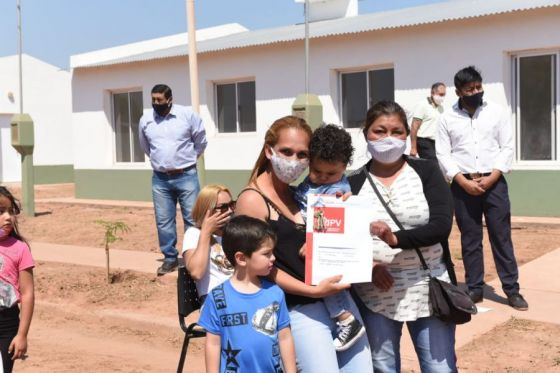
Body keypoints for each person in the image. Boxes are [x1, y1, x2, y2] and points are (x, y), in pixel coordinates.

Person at [235, 116, 372, 372]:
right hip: (299, 308)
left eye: (302, 154)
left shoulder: (302, 192)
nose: (294, 160)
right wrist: (312, 292)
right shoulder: (253, 200)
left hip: (338, 302)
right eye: (287, 151)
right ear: (269, 150)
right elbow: (257, 269)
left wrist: (346, 209)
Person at [347, 101, 457, 372]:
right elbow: (344, 239)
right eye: (379, 131)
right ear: (365, 135)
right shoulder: (353, 182)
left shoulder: (427, 171)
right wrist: (368, 268)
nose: (388, 138)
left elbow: (441, 226)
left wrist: (394, 239)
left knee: (438, 367)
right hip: (375, 293)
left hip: (428, 288)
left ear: (408, 135)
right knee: (382, 366)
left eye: (396, 132)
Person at [436, 66, 528, 311]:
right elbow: (443, 154)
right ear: (458, 92)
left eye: (478, 87)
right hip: (462, 185)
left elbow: (507, 147)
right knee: (470, 238)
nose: (475, 92)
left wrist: (493, 176)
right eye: (469, 89)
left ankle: (512, 289)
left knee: (501, 237)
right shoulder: (447, 118)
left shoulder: (497, 112)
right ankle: (475, 288)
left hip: (494, 183)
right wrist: (462, 181)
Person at [293, 124, 365, 351]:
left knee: (327, 281)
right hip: (317, 248)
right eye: (317, 171)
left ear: (345, 167)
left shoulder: (337, 192)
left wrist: (314, 244)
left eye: (331, 173)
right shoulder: (313, 184)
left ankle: (346, 319)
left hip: (326, 251)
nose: (323, 178)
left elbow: (330, 224)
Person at [199, 215, 296, 373]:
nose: (273, 258)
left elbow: (284, 337)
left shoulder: (275, 293)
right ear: (242, 258)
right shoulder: (217, 298)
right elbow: (213, 343)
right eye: (266, 254)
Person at [139, 84, 208, 276]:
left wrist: (188, 160)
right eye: (153, 100)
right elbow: (145, 146)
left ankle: (192, 258)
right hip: (160, 179)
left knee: (192, 219)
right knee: (163, 220)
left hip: (186, 176)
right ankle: (170, 259)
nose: (156, 103)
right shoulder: (146, 120)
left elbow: (201, 140)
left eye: (159, 100)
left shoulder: (187, 116)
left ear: (169, 99)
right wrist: (161, 161)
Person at [0, 187, 35, 373]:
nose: (8, 217)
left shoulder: (20, 249)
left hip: (6, 324)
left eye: (11, 211)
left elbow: (28, 293)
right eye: (0, 211)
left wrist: (22, 335)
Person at [182, 184, 235, 301]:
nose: (230, 210)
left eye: (232, 204)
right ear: (207, 210)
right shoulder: (194, 234)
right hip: (215, 299)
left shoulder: (235, 231)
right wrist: (206, 231)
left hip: (241, 294)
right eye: (224, 207)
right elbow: (197, 273)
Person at [409, 82, 446, 160]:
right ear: (432, 93)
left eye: (444, 95)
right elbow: (414, 126)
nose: (442, 97)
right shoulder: (423, 105)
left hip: (436, 143)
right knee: (433, 165)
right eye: (440, 94)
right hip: (424, 142)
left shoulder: (441, 108)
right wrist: (413, 148)